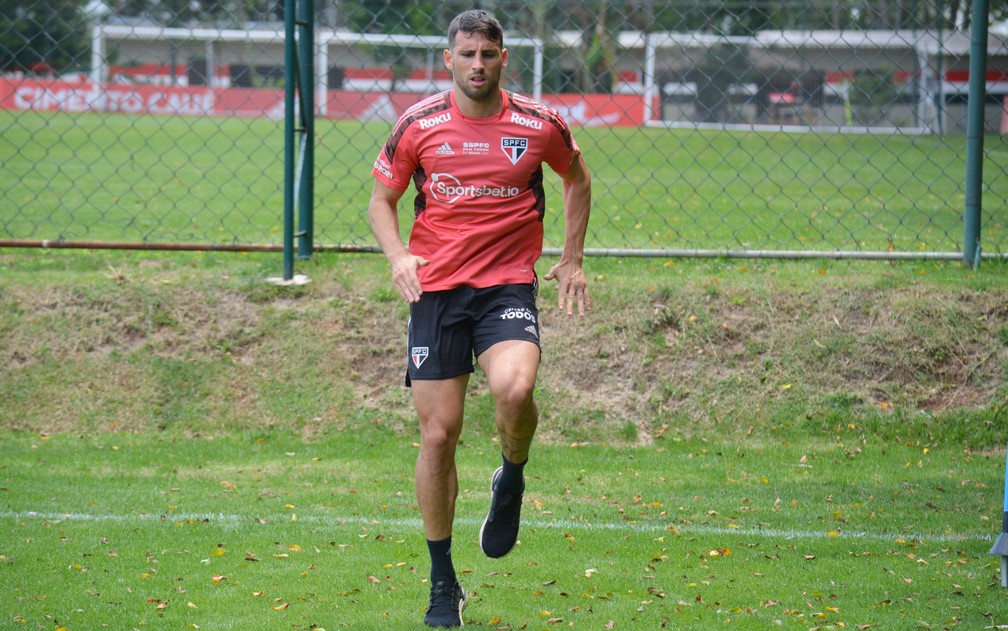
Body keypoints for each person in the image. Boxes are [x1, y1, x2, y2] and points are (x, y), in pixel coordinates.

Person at [367, 8, 592, 628]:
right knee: (438, 435)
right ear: (448, 60)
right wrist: (397, 256)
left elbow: (577, 179)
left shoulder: (538, 123)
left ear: (503, 59)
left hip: (505, 287)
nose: (477, 65)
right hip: (436, 294)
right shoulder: (419, 123)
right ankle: (444, 584)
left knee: (516, 389)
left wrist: (571, 259)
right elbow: (382, 200)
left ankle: (511, 475)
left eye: (487, 55)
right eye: (466, 54)